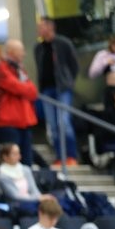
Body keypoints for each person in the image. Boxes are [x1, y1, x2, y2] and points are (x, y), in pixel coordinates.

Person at [34, 16, 79, 167]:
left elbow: (74, 65)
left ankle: (71, 155)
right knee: (52, 126)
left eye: (41, 26)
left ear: (50, 27)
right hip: (46, 90)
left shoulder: (63, 43)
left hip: (62, 88)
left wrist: (69, 82)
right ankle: (60, 156)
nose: (39, 29)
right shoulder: (38, 48)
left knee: (63, 122)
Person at [0, 39, 38, 167]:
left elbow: (33, 92)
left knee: (26, 161)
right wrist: (24, 88)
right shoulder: (1, 68)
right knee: (11, 162)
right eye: (21, 50)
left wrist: (24, 88)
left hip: (24, 122)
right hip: (8, 122)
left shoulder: (20, 69)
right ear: (12, 52)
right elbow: (17, 87)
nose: (24, 53)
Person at [0, 142, 52, 215]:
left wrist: (41, 198)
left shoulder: (26, 169)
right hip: (16, 206)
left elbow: (34, 189)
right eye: (14, 154)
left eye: (18, 153)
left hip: (33, 202)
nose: (18, 157)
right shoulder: (2, 175)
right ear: (5, 157)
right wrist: (38, 198)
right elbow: (15, 196)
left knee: (51, 205)